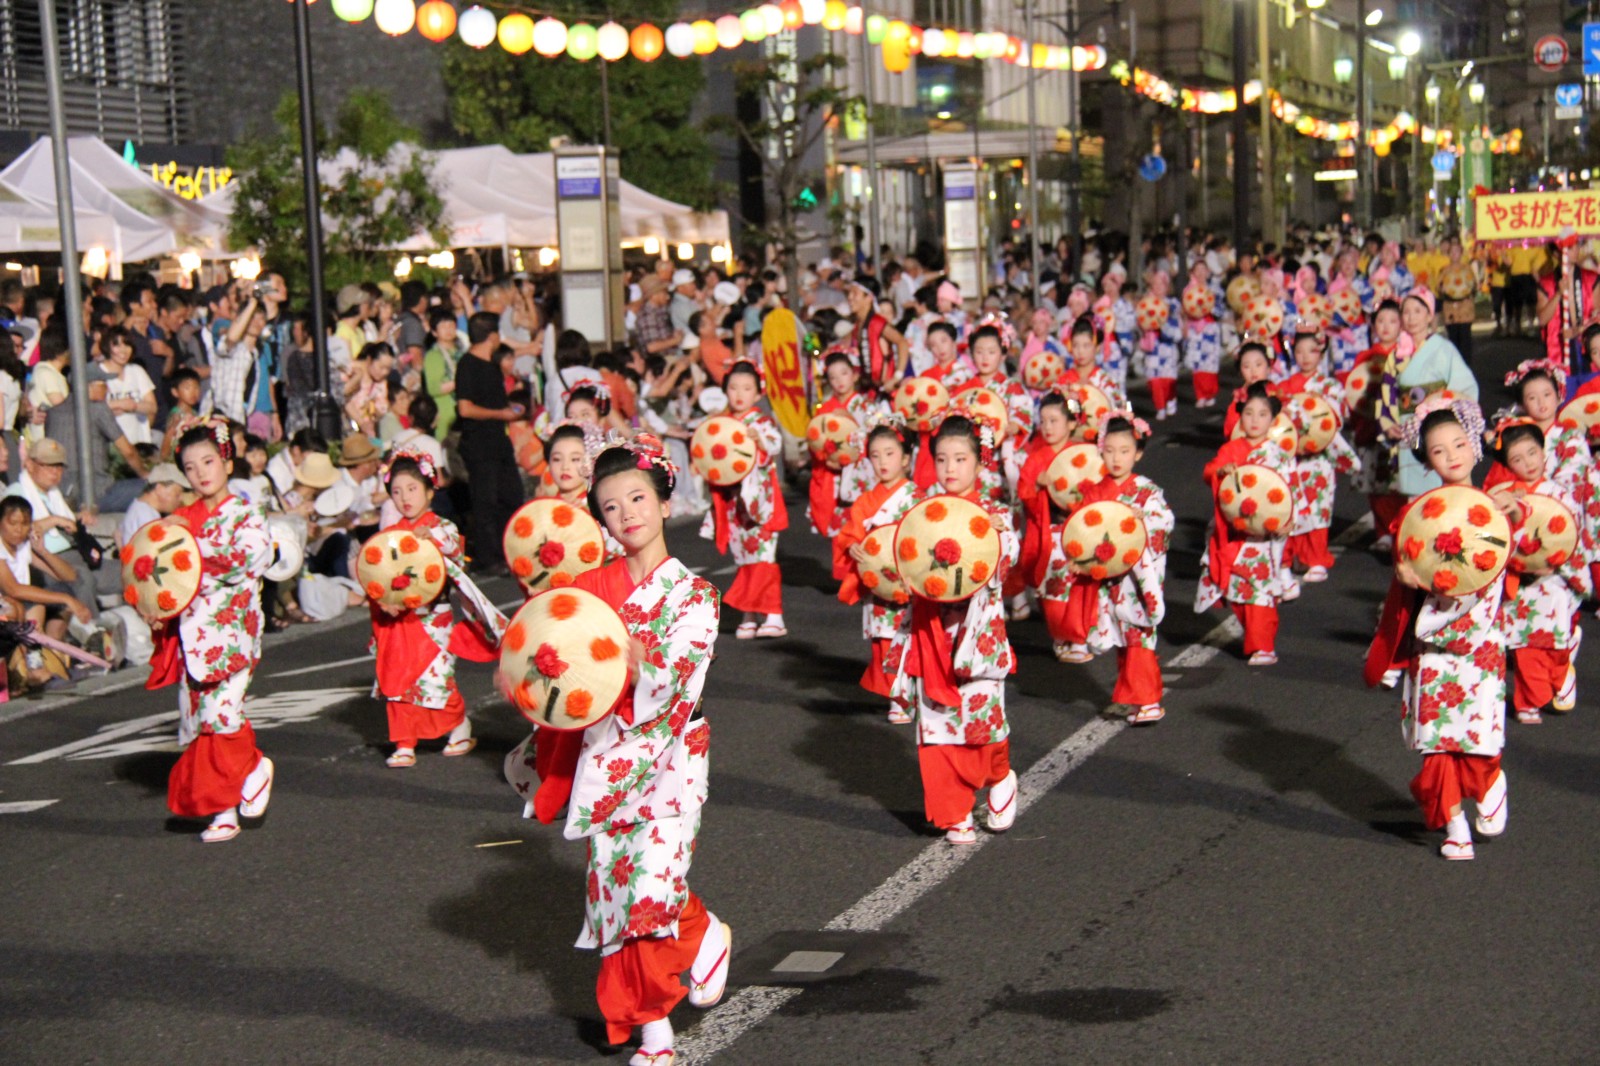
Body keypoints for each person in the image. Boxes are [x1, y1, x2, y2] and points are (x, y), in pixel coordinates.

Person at [517, 435, 729, 1066]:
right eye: (611, 507)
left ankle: (660, 1021)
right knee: (616, 892)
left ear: (665, 502)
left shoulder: (695, 596)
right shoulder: (590, 588)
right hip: (605, 755)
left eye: (639, 498)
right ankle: (664, 1008)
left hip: (670, 755)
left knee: (648, 888)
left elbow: (679, 678)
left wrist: (640, 665)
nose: (628, 514)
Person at [1365, 397, 1508, 861]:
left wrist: (1511, 513)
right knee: (1437, 737)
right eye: (1439, 450)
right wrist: (1405, 573)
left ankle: (1489, 782)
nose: (1452, 456)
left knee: (1478, 733)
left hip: (1479, 639)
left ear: (1475, 445)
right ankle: (1455, 825)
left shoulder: (1495, 503)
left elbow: (1508, 557)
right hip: (1433, 644)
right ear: (1427, 460)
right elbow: (1406, 568)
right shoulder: (1419, 513)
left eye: (1459, 444)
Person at [144, 419, 275, 844]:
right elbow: (159, 571)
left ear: (226, 461)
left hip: (234, 628)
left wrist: (195, 550)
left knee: (222, 714)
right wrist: (153, 604)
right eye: (191, 466)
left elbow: (252, 558)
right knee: (206, 720)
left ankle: (252, 768)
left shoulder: (245, 511)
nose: (201, 472)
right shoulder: (179, 519)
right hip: (193, 633)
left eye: (209, 461)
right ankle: (224, 809)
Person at [894, 415, 1019, 845]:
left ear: (979, 463)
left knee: (983, 723)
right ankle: (955, 811)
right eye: (942, 458)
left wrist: (999, 538)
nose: (950, 468)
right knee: (938, 727)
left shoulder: (996, 512)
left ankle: (999, 775)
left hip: (978, 635)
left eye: (961, 458)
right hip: (932, 633)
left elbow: (1006, 562)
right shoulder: (925, 512)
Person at [368, 451, 483, 768]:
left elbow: (453, 550)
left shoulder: (441, 526)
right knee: (397, 681)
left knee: (435, 679)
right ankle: (405, 742)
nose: (404, 497)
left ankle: (458, 726)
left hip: (433, 618)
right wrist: (383, 599)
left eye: (412, 488)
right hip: (399, 618)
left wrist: (430, 536)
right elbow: (376, 573)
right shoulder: (391, 534)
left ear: (430, 490)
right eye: (397, 491)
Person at [1057, 413, 1174, 723]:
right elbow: (1080, 529)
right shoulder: (1095, 492)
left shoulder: (1147, 492)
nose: (1116, 458)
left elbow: (1164, 525)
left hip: (1136, 579)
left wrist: (1143, 520)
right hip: (1108, 579)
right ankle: (1137, 699)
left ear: (1138, 453)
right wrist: (1078, 555)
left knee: (1138, 637)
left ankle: (1148, 700)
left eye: (1124, 451)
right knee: (1124, 638)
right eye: (1109, 450)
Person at [1487, 419, 1590, 724]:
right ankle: (1527, 700)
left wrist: (1555, 558)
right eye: (1517, 459)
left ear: (1544, 452)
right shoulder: (1506, 495)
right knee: (1523, 643)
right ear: (1508, 464)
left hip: (1555, 577)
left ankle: (1561, 672)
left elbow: (1573, 531)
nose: (1527, 463)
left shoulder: (1561, 492)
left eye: (1532, 453)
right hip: (1523, 582)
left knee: (1555, 643)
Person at [1196, 384, 1293, 666]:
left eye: (1262, 414)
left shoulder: (1278, 455)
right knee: (1238, 590)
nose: (1254, 420)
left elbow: (1290, 491)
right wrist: (1220, 471)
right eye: (1248, 413)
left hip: (1262, 537)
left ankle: (1263, 645)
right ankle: (1254, 638)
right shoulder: (1231, 449)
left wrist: (1286, 521)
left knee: (1260, 590)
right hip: (1233, 531)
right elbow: (1209, 471)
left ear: (1273, 420)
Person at [835, 422, 918, 723]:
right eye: (875, 455)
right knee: (883, 639)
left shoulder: (916, 497)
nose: (883, 462)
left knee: (908, 637)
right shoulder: (866, 501)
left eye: (890, 453)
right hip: (877, 582)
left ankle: (907, 693)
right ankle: (897, 694)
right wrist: (852, 545)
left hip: (907, 578)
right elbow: (848, 534)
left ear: (906, 458)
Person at [700, 361, 788, 639]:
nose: (739, 393)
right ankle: (749, 615)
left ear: (758, 393)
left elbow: (775, 444)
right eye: (734, 387)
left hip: (759, 502)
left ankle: (774, 614)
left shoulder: (761, 421)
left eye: (747, 388)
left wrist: (759, 439)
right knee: (744, 557)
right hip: (732, 502)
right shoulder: (723, 420)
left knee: (763, 557)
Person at [1377, 289, 1478, 501]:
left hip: (1435, 425)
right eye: (1406, 312)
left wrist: (1440, 405)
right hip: (1408, 425)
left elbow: (1466, 387)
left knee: (1441, 480)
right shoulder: (1397, 354)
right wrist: (1388, 422)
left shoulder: (1443, 348)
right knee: (1414, 492)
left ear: (1429, 315)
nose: (1411, 317)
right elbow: (1387, 390)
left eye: (1417, 311)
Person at [1281, 333, 1360, 582]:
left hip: (1319, 457)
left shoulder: (1330, 386)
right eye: (1300, 351)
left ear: (1321, 354)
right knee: (1292, 507)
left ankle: (1316, 558)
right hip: (1292, 458)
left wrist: (1317, 408)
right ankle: (1293, 556)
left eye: (1311, 351)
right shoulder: (1284, 386)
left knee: (1317, 508)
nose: (1305, 357)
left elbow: (1336, 417)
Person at [456, 311, 527, 569]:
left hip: (499, 442)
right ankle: (490, 556)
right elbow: (465, 408)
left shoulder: (492, 366)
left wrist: (510, 409)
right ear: (492, 335)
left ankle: (508, 549)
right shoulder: (467, 364)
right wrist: (501, 413)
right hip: (479, 445)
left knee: (511, 496)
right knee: (486, 502)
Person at [807, 353, 886, 539]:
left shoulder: (867, 407)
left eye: (844, 373)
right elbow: (815, 442)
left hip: (862, 473)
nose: (839, 381)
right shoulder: (826, 409)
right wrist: (825, 458)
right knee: (840, 537)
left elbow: (878, 439)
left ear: (854, 375)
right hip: (834, 477)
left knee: (864, 535)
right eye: (832, 377)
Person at [1019, 390, 1078, 635]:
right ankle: (1061, 638)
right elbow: (1024, 493)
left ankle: (1077, 636)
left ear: (1071, 423)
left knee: (1078, 586)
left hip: (1079, 529)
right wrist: (1036, 487)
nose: (1047, 427)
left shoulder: (1082, 455)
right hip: (1049, 531)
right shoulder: (1036, 458)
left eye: (1054, 421)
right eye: (1043, 421)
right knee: (1053, 587)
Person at [117, 463, 189, 549]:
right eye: (177, 494)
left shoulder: (140, 508)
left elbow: (118, 533)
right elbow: (157, 550)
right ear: (159, 489)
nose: (181, 499)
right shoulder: (146, 515)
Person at [422, 306, 464, 439]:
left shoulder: (461, 352)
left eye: (451, 325)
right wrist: (461, 380)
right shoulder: (433, 355)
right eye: (443, 327)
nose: (449, 330)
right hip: (445, 413)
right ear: (434, 332)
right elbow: (434, 388)